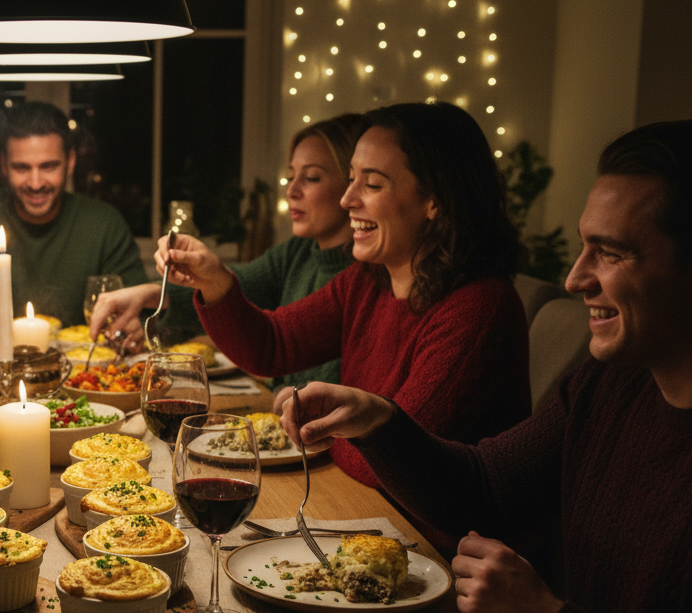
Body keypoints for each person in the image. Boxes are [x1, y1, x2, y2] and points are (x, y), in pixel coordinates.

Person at [278, 120, 692, 613]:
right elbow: (486, 487)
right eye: (584, 248)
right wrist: (380, 421)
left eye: (611, 253)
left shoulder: (493, 313)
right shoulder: (610, 384)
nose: (576, 276)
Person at [159, 103, 531, 512]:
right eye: (351, 179)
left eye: (371, 184)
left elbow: (386, 462)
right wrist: (213, 280)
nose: (348, 199)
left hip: (441, 551)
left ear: (435, 199)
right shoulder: (369, 279)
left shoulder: (477, 309)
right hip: (365, 510)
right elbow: (273, 344)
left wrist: (327, 429)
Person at [91, 113, 362, 412]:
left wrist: (294, 393)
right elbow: (234, 288)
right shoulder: (298, 252)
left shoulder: (365, 276)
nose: (292, 190)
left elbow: (275, 344)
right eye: (290, 176)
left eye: (311, 178)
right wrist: (149, 292)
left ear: (352, 184)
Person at [0, 101, 149, 330]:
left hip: (84, 364)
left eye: (48, 166)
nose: (35, 183)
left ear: (70, 162)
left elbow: (144, 311)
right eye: (21, 168)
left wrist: (135, 326)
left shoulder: (104, 224)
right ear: (4, 164)